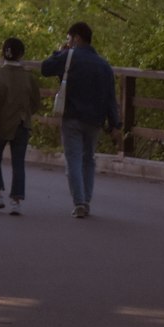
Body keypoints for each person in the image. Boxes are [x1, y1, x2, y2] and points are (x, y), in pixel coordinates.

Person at [41, 21, 122, 218]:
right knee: (88, 159)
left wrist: (59, 52)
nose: (67, 42)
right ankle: (86, 200)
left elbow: (45, 68)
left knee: (74, 159)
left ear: (76, 38)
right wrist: (115, 124)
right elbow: (111, 97)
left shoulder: (68, 57)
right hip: (95, 119)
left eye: (68, 38)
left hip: (72, 117)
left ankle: (79, 203)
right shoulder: (104, 65)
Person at [0, 37, 42, 215]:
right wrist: (26, 113)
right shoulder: (28, 77)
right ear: (21, 54)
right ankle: (16, 201)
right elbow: (36, 102)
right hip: (22, 123)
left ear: (2, 53)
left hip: (0, 123)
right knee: (18, 163)